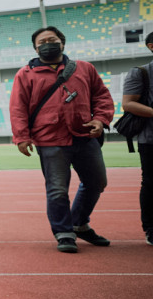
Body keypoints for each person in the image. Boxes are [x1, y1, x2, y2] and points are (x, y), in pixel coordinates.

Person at [9, 26, 114, 253]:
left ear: (62, 43)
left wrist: (101, 120)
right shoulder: (25, 74)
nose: (48, 43)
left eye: (52, 39)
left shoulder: (84, 69)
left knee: (97, 182)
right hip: (50, 139)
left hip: (85, 135)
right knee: (57, 189)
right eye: (42, 41)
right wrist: (21, 136)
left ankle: (78, 222)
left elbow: (101, 96)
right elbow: (18, 108)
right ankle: (64, 232)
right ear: (35, 48)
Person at [121, 32, 153, 246]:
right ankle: (151, 228)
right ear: (151, 46)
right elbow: (128, 104)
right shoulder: (140, 73)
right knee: (151, 183)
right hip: (151, 139)